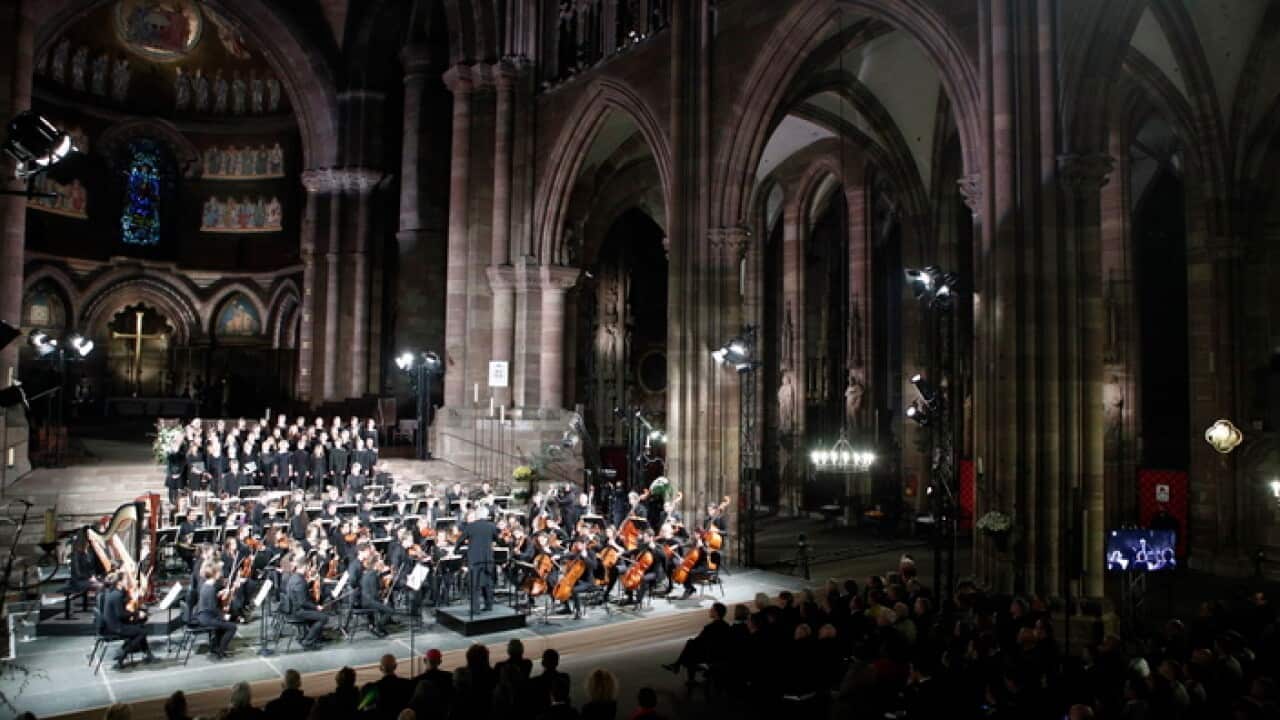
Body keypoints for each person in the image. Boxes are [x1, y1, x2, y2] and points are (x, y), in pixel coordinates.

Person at [661, 602, 731, 681]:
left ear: (716, 613)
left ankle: (679, 667)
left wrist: (691, 642)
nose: (710, 611)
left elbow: (698, 641)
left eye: (712, 609)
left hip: (710, 655)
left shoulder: (710, 627)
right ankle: (678, 666)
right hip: (721, 654)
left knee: (690, 649)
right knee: (690, 647)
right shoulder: (726, 626)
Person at [102, 572, 154, 668]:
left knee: (140, 626)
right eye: (126, 580)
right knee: (142, 632)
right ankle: (123, 654)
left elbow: (122, 612)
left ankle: (148, 655)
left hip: (113, 624)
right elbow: (121, 615)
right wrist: (137, 614)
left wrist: (135, 614)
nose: (128, 581)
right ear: (119, 582)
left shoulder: (113, 592)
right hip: (116, 627)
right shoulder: (117, 595)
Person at [458, 505, 501, 612]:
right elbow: (498, 540)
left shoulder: (471, 526)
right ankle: (489, 605)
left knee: (475, 583)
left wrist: (456, 550)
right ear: (486, 515)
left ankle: (475, 608)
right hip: (487, 558)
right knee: (488, 582)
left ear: (477, 515)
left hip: (474, 559)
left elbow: (460, 540)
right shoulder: (491, 526)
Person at [280, 557, 327, 649]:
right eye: (309, 566)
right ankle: (308, 642)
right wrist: (316, 607)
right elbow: (303, 602)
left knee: (317, 614)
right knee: (324, 618)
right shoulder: (300, 581)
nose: (309, 568)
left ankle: (317, 637)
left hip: (292, 609)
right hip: (298, 612)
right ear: (305, 566)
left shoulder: (294, 577)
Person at [195, 564, 237, 659]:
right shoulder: (211, 588)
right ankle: (221, 651)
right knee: (232, 627)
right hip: (207, 618)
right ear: (214, 574)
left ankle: (215, 647)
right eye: (218, 572)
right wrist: (223, 615)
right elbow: (213, 609)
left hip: (203, 615)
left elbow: (210, 600)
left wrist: (218, 594)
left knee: (223, 624)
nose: (220, 573)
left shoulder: (206, 585)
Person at [360, 654, 415, 719]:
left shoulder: (372, 688)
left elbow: (364, 710)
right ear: (395, 666)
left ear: (380, 668)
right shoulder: (408, 684)